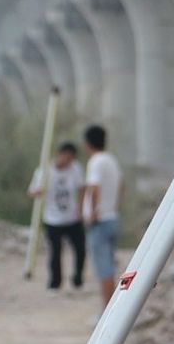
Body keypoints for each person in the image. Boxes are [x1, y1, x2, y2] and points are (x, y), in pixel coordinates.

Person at [28, 141, 86, 291]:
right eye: (66, 157)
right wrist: (38, 192)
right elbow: (32, 191)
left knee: (80, 249)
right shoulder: (44, 171)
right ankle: (55, 283)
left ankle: (77, 278)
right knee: (55, 251)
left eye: (71, 158)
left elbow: (81, 188)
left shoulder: (75, 169)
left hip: (72, 218)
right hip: (53, 219)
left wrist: (80, 209)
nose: (68, 161)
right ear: (59, 154)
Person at [80, 124, 124, 304]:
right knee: (110, 267)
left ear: (88, 143)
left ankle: (107, 312)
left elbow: (94, 188)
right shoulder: (111, 160)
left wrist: (93, 213)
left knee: (104, 269)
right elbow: (122, 185)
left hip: (100, 221)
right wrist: (114, 206)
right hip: (112, 217)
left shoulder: (95, 162)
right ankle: (111, 308)